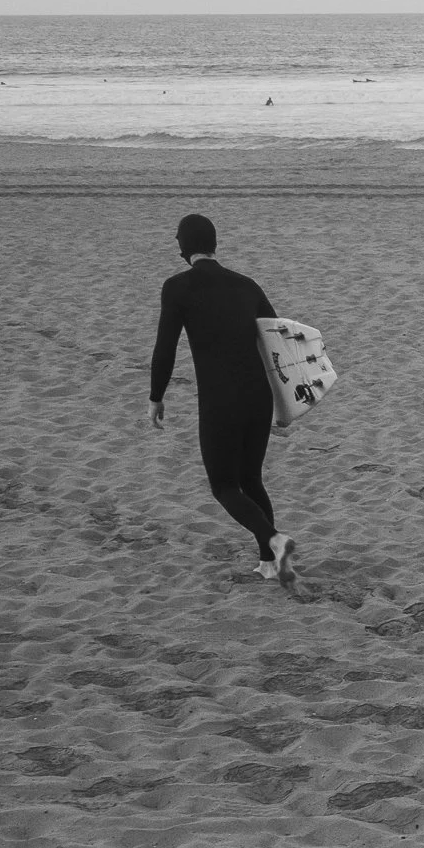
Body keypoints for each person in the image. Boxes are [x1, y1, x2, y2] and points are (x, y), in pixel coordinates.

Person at [148, 213, 296, 584]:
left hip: (220, 399)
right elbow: (277, 343)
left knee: (224, 486)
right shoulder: (247, 285)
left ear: (185, 245)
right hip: (257, 397)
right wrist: (285, 401)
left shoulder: (178, 287)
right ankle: (270, 564)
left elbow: (165, 346)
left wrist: (156, 396)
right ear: (213, 244)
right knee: (251, 479)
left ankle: (274, 542)